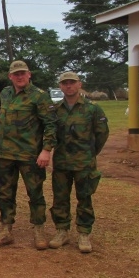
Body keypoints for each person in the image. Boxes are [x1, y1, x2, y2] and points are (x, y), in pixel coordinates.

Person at [0, 61, 57, 250]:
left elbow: (50, 125)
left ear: (29, 74)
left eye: (23, 73)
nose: (19, 76)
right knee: (5, 194)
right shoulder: (5, 94)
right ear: (10, 76)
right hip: (5, 154)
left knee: (35, 193)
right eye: (16, 74)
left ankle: (38, 230)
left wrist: (46, 150)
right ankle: (6, 230)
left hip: (30, 155)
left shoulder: (40, 97)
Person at [49, 72, 109, 253]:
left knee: (84, 198)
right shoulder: (55, 110)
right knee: (60, 199)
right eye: (65, 83)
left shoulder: (92, 109)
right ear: (60, 86)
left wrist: (90, 153)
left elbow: (102, 134)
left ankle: (84, 233)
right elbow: (50, 133)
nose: (69, 86)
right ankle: (62, 231)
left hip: (84, 163)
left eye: (72, 83)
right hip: (61, 163)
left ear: (79, 84)